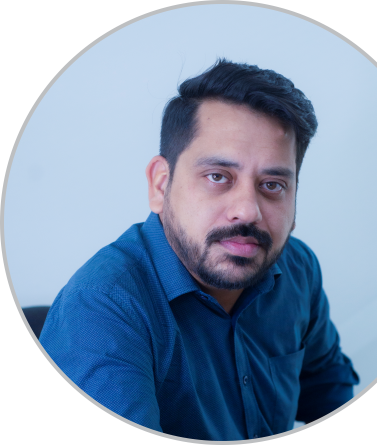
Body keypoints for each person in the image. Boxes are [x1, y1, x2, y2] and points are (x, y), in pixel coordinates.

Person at [39, 59, 359, 440]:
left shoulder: (298, 270)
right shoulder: (101, 309)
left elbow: (331, 397)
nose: (248, 210)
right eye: (218, 176)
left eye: (273, 185)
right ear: (161, 185)